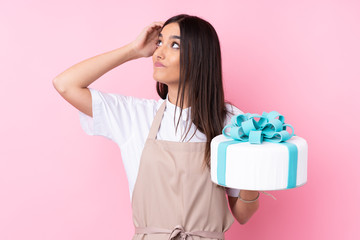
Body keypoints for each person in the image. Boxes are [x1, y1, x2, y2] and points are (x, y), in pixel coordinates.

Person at [53, 14, 259, 240]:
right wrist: (133, 50)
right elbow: (65, 84)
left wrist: (255, 172)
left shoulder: (230, 122)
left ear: (200, 56)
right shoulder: (135, 115)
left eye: (174, 45)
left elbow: (242, 214)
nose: (158, 52)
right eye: (160, 42)